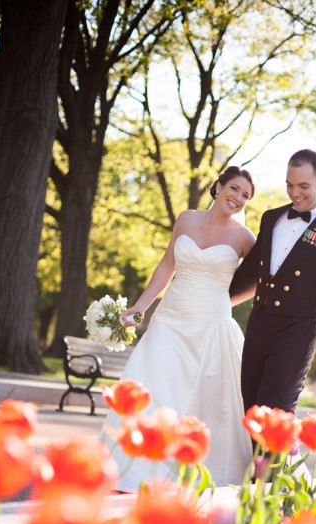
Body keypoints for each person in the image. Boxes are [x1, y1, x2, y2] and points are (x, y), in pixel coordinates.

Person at [99, 166, 256, 490]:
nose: (238, 199)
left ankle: (193, 473)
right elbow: (167, 264)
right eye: (235, 189)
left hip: (212, 324)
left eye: (246, 196)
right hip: (171, 317)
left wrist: (224, 303)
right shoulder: (186, 219)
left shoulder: (245, 238)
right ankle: (134, 469)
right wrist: (141, 306)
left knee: (208, 400)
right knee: (150, 383)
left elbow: (257, 281)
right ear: (218, 186)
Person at [230, 149, 316, 413]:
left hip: (295, 336)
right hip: (258, 327)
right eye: (289, 185)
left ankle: (270, 458)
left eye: (303, 186)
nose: (294, 192)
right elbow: (249, 272)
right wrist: (212, 298)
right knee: (248, 410)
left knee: (274, 415)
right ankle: (250, 458)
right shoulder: (271, 217)